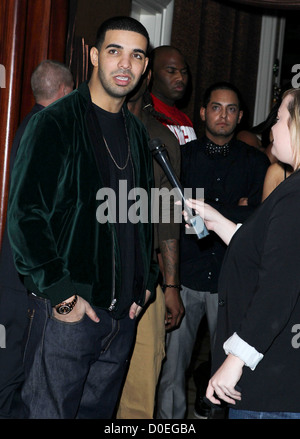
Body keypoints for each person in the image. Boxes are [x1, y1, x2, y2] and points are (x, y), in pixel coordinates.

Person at [7, 16, 158, 419]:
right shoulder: (54, 122)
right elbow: (26, 216)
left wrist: (147, 282)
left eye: (136, 55)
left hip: (122, 318)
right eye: (114, 51)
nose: (124, 64)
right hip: (68, 315)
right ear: (94, 56)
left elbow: (140, 214)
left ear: (145, 68)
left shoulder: (138, 134)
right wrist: (62, 293)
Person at [155, 81, 270, 419]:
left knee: (231, 372)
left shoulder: (255, 162)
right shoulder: (182, 157)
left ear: (241, 117)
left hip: (231, 281)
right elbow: (166, 214)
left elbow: (259, 220)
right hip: (186, 275)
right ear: (203, 112)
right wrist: (235, 209)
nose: (224, 115)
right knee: (171, 371)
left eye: (231, 109)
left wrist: (216, 212)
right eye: (216, 107)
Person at [184, 87, 300, 419]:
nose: (270, 129)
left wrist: (234, 361)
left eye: (278, 119)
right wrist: (217, 220)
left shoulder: (294, 196)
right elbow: (268, 251)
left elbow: (277, 289)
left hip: (270, 382)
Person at [0, 60, 73, 419]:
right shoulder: (49, 131)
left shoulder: (20, 126)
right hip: (24, 277)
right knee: (17, 373)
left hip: (9, 273)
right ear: (64, 91)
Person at [117, 68, 184, 419]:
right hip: (91, 279)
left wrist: (170, 286)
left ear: (146, 76)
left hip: (145, 279)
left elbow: (168, 219)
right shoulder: (83, 125)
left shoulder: (159, 138)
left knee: (139, 387)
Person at [149, 45, 197, 145]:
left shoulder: (185, 120)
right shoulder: (145, 114)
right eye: (171, 71)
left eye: (184, 72)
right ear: (151, 74)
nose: (180, 77)